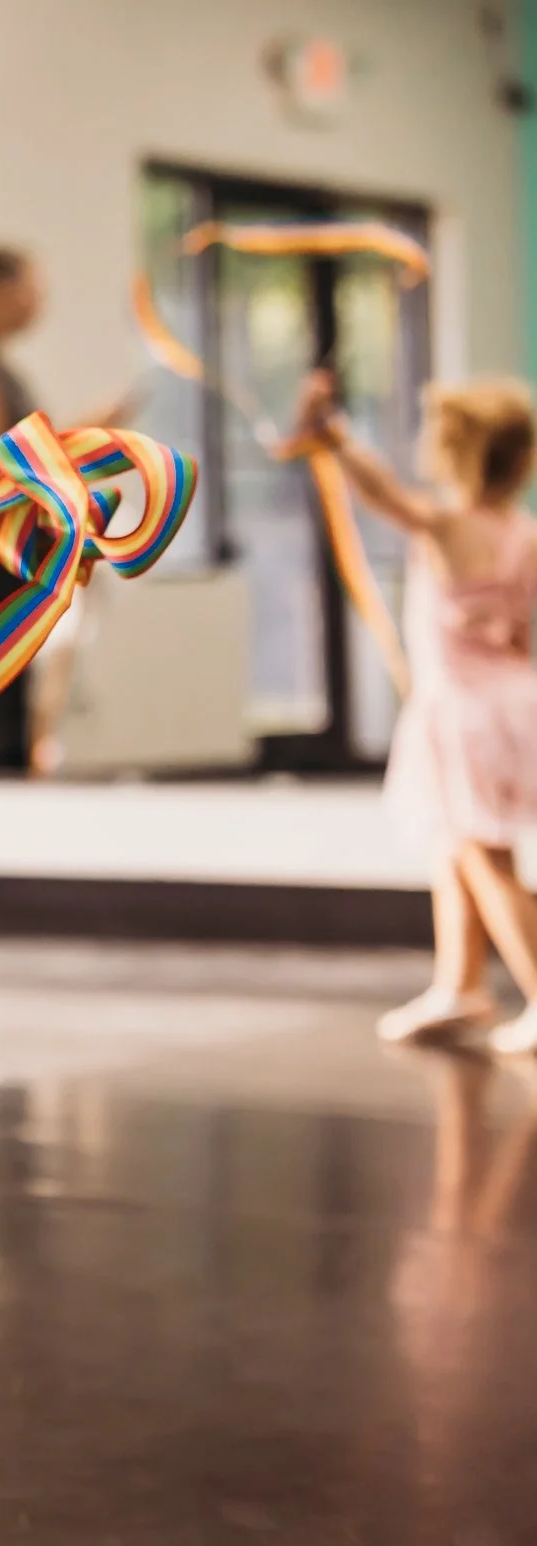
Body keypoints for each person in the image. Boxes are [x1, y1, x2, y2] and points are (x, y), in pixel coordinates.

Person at [295, 370, 537, 1052]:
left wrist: (334, 438)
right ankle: (461, 985)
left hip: (464, 713)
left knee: (483, 854)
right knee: (456, 845)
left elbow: (381, 493)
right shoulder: (525, 534)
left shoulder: (447, 524)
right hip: (514, 704)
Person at [0, 247, 130, 776]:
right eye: (33, 291)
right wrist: (91, 429)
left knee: (28, 681)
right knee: (6, 685)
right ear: (3, 292)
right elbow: (7, 461)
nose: (39, 305)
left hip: (32, 533)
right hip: (9, 537)